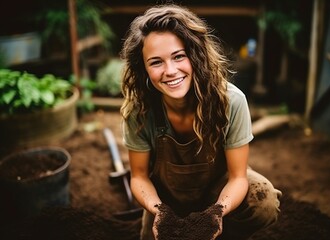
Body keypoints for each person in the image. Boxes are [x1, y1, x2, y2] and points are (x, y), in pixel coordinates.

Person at [120, 4, 282, 240]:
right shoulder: (139, 109)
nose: (170, 70)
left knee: (264, 201)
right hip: (165, 200)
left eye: (179, 56)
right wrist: (159, 212)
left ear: (195, 55)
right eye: (156, 62)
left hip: (218, 195)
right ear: (143, 68)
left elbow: (238, 177)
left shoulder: (230, 102)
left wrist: (215, 215)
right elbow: (139, 177)